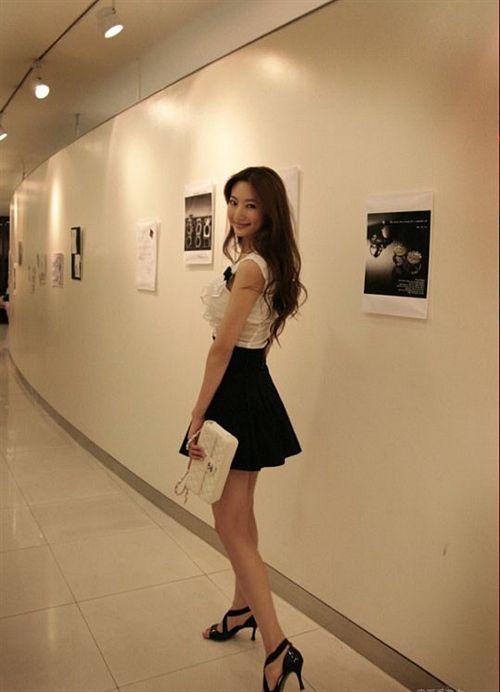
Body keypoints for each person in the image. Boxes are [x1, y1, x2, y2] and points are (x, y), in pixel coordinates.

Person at [179, 166, 307, 692]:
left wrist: (197, 415)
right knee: (243, 517)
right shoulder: (266, 262)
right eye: (233, 201)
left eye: (250, 204)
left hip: (234, 391)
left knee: (229, 525)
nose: (237, 213)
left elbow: (222, 348)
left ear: (269, 211)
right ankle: (240, 609)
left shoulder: (252, 267)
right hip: (252, 386)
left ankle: (278, 646)